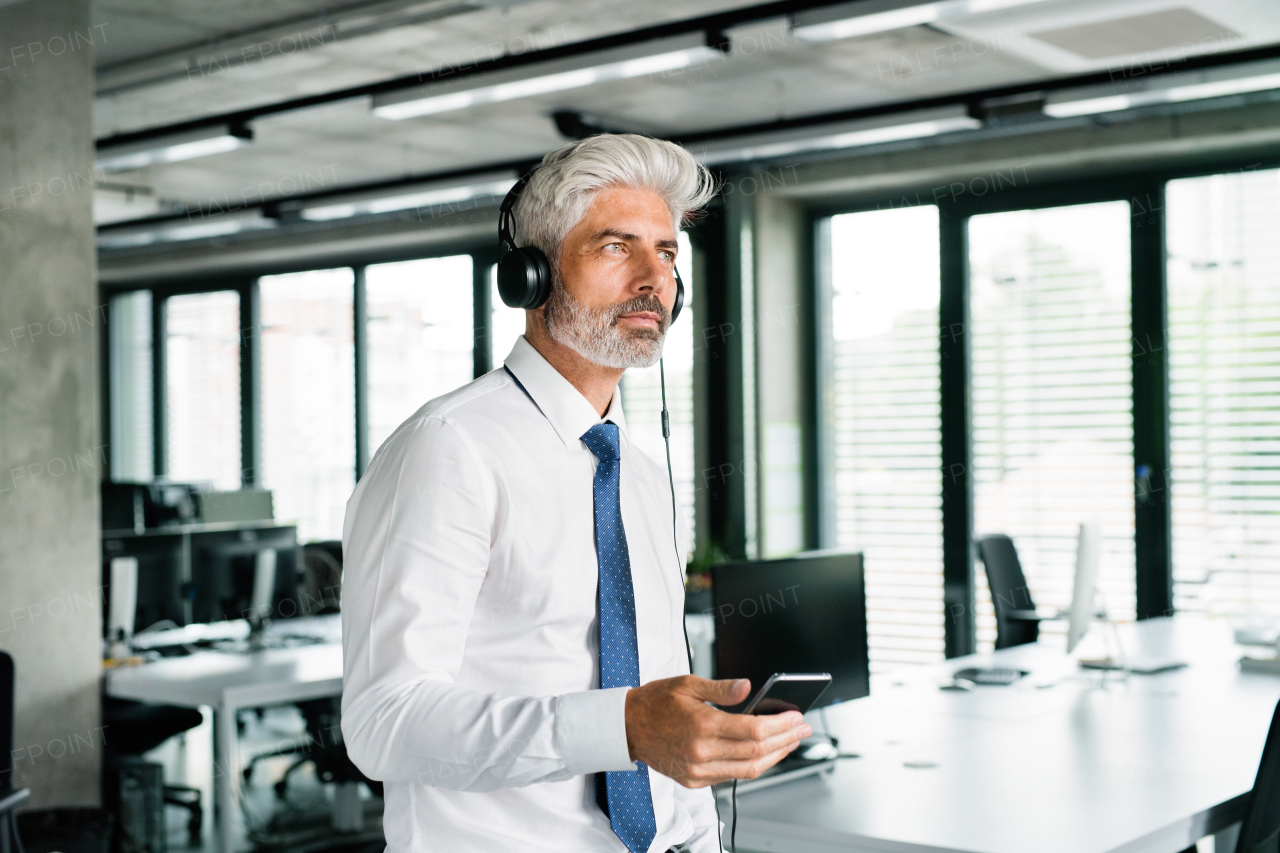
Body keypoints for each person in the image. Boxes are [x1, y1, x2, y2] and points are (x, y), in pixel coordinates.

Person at [340, 133, 812, 853]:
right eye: (617, 246)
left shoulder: (641, 473)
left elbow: (656, 685)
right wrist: (619, 725)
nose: (655, 278)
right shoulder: (448, 448)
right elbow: (384, 722)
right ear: (531, 275)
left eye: (668, 252)